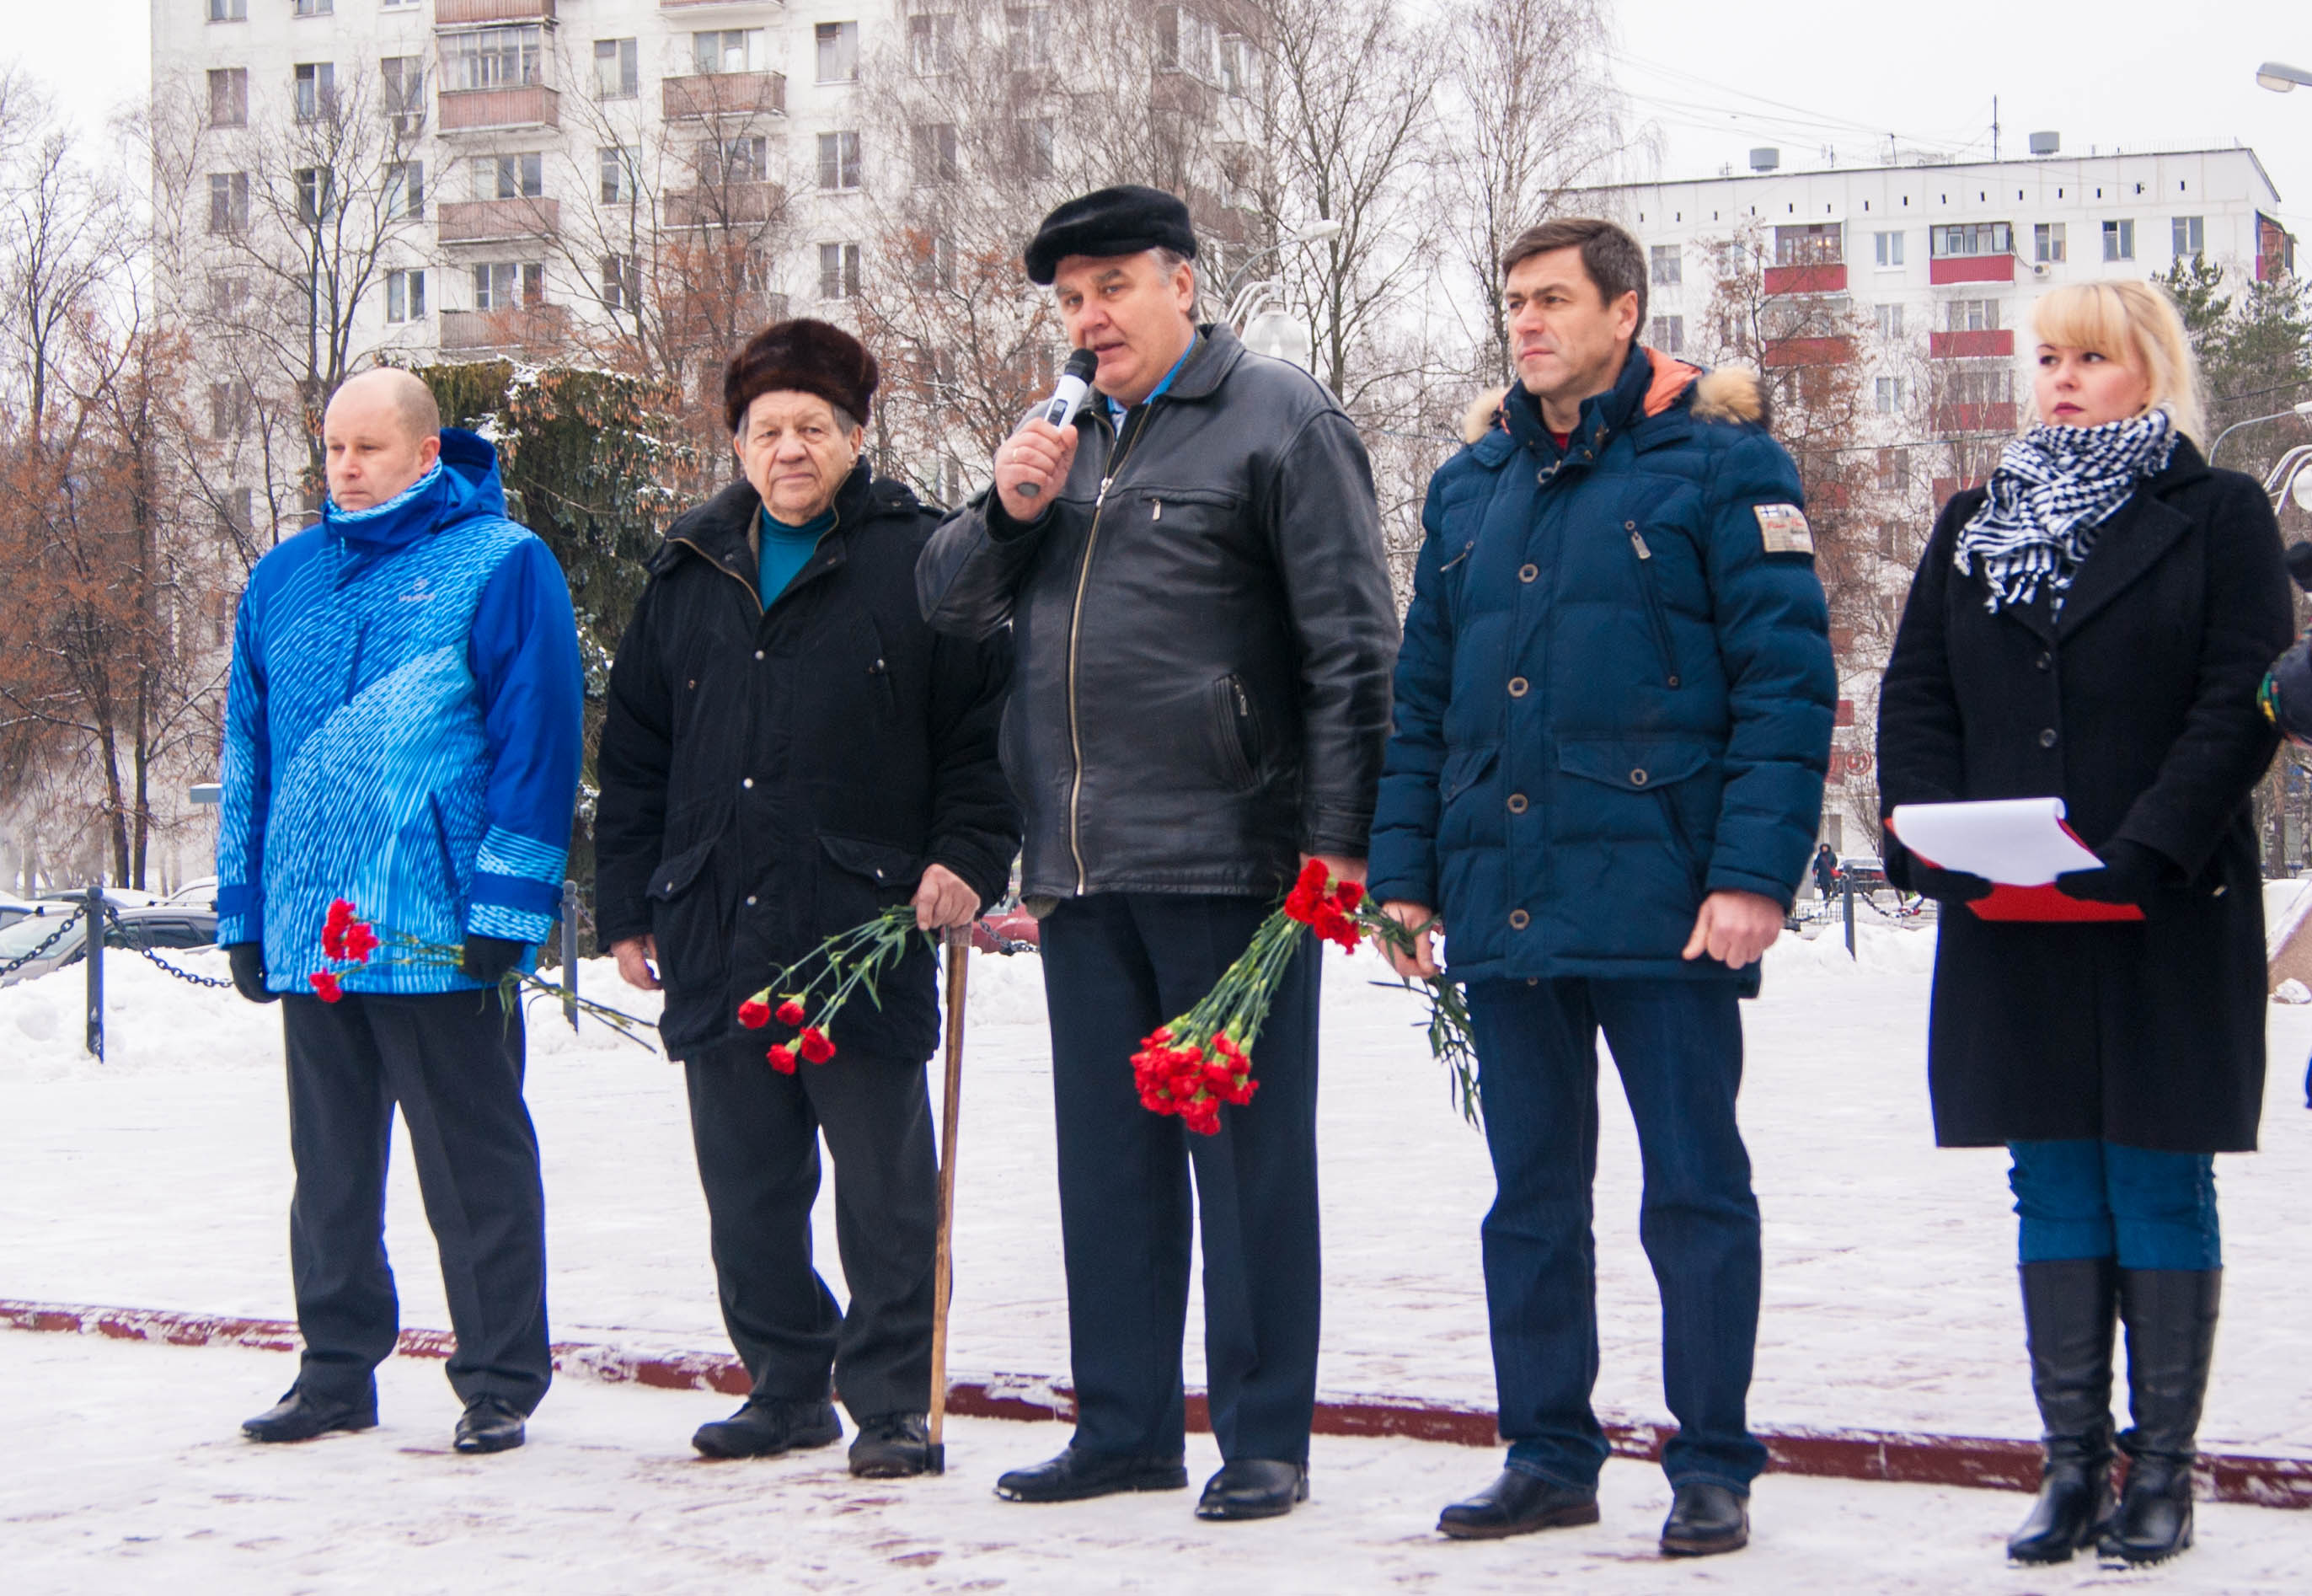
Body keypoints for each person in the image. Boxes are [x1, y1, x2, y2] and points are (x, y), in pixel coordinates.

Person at [917, 185, 1397, 1521]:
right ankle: (1124, 1426)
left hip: (1231, 859)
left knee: (1246, 1166)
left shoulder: (1282, 418)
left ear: (1184, 282)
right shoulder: (1058, 441)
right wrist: (1010, 506)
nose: (1090, 317)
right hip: (1080, 868)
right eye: (1072, 299)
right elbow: (948, 607)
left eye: (1114, 286)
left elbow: (1354, 647)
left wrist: (1341, 842)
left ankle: (1264, 1437)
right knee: (1109, 1169)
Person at [1367, 217, 1834, 1558]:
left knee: (1693, 1190)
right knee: (1529, 1199)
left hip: (1667, 896)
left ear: (1624, 312)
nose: (1526, 321)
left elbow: (1787, 684)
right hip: (1503, 892)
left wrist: (1754, 874)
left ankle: (1714, 1462)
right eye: (1513, 300)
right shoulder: (1470, 484)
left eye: (1553, 299)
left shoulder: (1725, 464)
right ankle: (1547, 1455)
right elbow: (1424, 699)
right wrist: (1404, 874)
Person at [1876, 280, 2292, 1567]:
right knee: (2050, 1176)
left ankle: (2160, 1473)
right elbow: (1919, 693)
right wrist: (1930, 833)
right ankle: (2069, 1466)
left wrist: (2147, 846)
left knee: (2158, 1174)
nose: (2061, 378)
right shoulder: (1976, 521)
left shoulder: (2219, 514)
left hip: (2165, 900)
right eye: (2050, 357)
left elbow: (2241, 701)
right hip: (2014, 907)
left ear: (2150, 369)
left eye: (2091, 358)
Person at [595, 320, 1018, 1478]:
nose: (790, 448)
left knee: (885, 1190)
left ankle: (891, 1403)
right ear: (738, 442)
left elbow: (982, 737)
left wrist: (967, 855)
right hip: (715, 918)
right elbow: (636, 753)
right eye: (768, 428)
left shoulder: (921, 557)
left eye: (814, 427)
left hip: (860, 925)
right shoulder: (688, 568)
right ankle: (785, 1387)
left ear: (856, 437)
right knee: (747, 1189)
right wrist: (627, 906)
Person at [217, 367, 583, 1454]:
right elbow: (248, 750)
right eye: (333, 447)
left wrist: (509, 900)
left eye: (367, 448)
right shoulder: (282, 579)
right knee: (329, 1172)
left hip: (437, 926)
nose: (344, 468)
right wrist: (244, 909)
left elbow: (537, 740)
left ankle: (500, 1378)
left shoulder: (502, 563)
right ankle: (335, 1369)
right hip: (315, 931)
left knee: (472, 1165)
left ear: (426, 453)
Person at [1812, 841, 1839, 907]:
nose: (1824, 849)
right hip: (1822, 873)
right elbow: (1816, 862)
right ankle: (1825, 895)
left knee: (1828, 884)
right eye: (1823, 848)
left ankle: (1828, 895)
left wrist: (1833, 867)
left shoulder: (1832, 855)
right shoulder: (1820, 855)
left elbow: (1835, 861)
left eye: (1825, 848)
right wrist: (1815, 868)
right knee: (1822, 885)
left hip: (1829, 873)